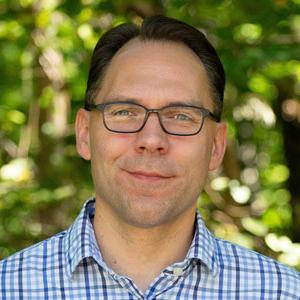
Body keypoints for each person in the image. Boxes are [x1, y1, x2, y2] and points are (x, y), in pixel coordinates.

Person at [0, 15, 299, 300]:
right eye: (125, 112)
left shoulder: (282, 292)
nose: (152, 140)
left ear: (216, 147)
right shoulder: (9, 288)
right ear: (84, 134)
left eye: (181, 115)